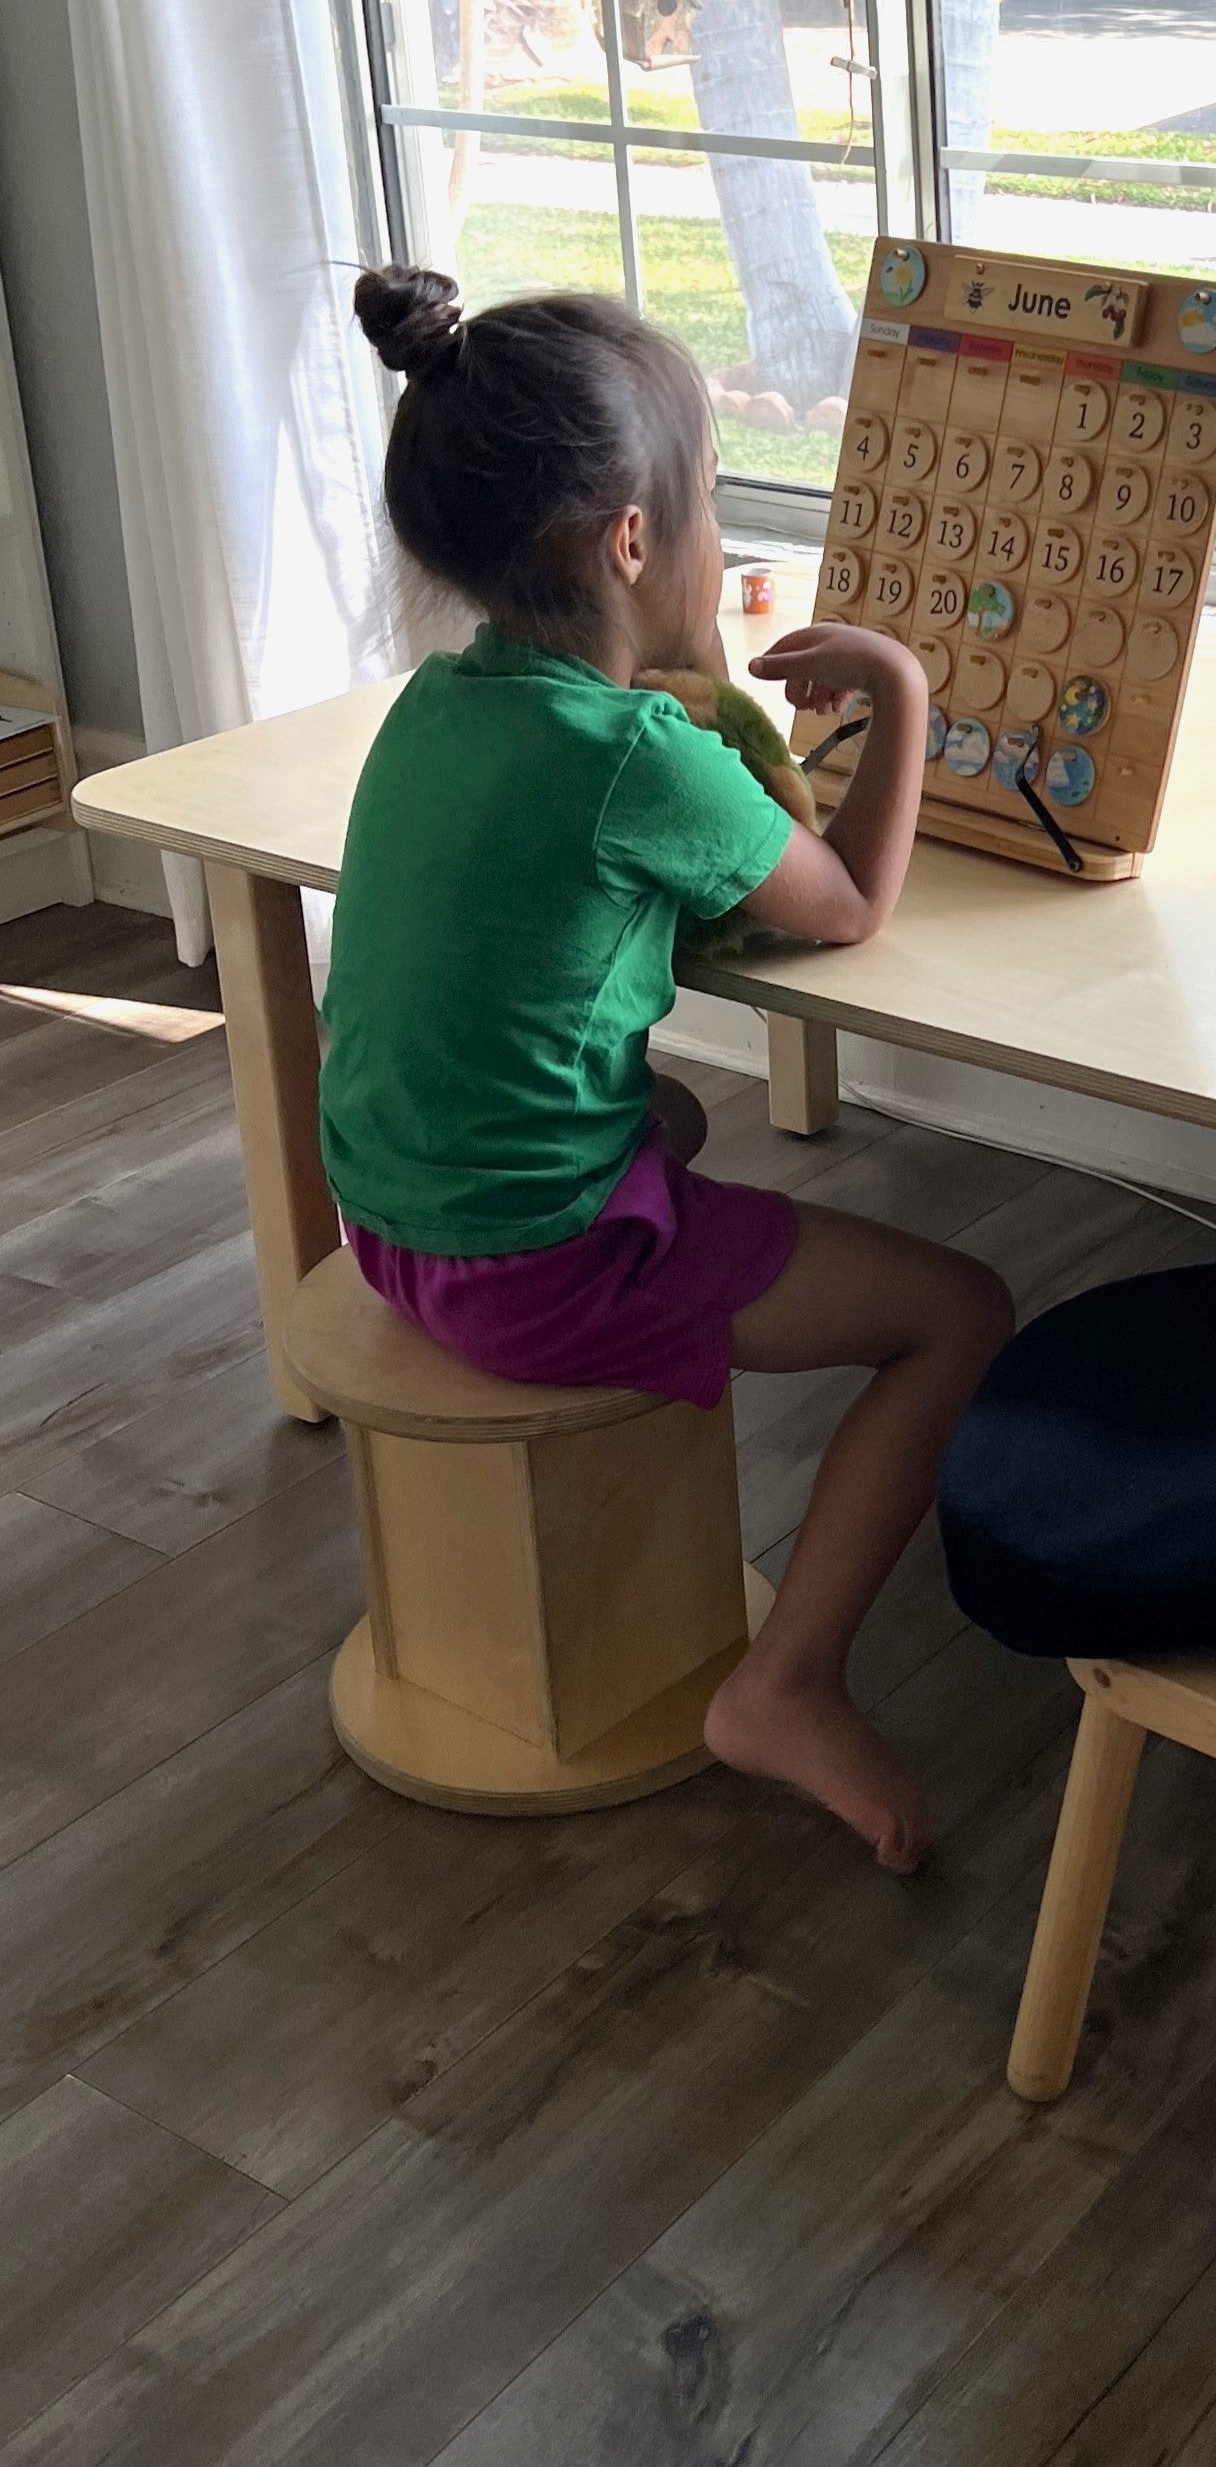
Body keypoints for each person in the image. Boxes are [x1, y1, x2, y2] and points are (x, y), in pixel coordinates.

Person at [320, 265, 1012, 1871]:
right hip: (521, 1267)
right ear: (630, 543)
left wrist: (696, 713)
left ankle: (638, 1282)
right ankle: (786, 1683)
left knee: (677, 1110)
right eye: (710, 503)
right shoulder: (632, 752)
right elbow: (842, 908)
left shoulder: (447, 701)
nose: (718, 536)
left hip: (390, 1219)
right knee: (959, 1311)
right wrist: (899, 689)